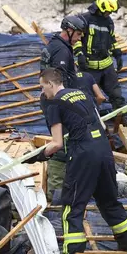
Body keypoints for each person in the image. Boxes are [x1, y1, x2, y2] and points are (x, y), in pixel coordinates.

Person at [26, 69, 127, 254]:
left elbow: (57, 143)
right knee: (108, 199)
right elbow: (100, 125)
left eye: (42, 87)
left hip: (83, 154)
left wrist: (36, 156)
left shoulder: (54, 105)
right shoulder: (82, 94)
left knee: (72, 204)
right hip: (103, 150)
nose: (42, 93)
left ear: (51, 84)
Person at [39, 15, 86, 201]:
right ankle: (57, 192)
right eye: (79, 34)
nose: (79, 38)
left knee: (63, 142)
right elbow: (58, 83)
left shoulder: (58, 46)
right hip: (57, 103)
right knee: (62, 143)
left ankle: (62, 187)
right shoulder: (61, 52)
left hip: (53, 101)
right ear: (69, 30)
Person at [75, 0, 126, 114]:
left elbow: (112, 39)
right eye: (108, 11)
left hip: (106, 66)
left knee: (116, 93)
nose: (110, 14)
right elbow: (76, 40)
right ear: (101, 7)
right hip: (89, 67)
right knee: (89, 98)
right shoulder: (84, 19)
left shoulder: (108, 22)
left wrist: (117, 54)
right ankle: (93, 122)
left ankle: (122, 118)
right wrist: (80, 55)